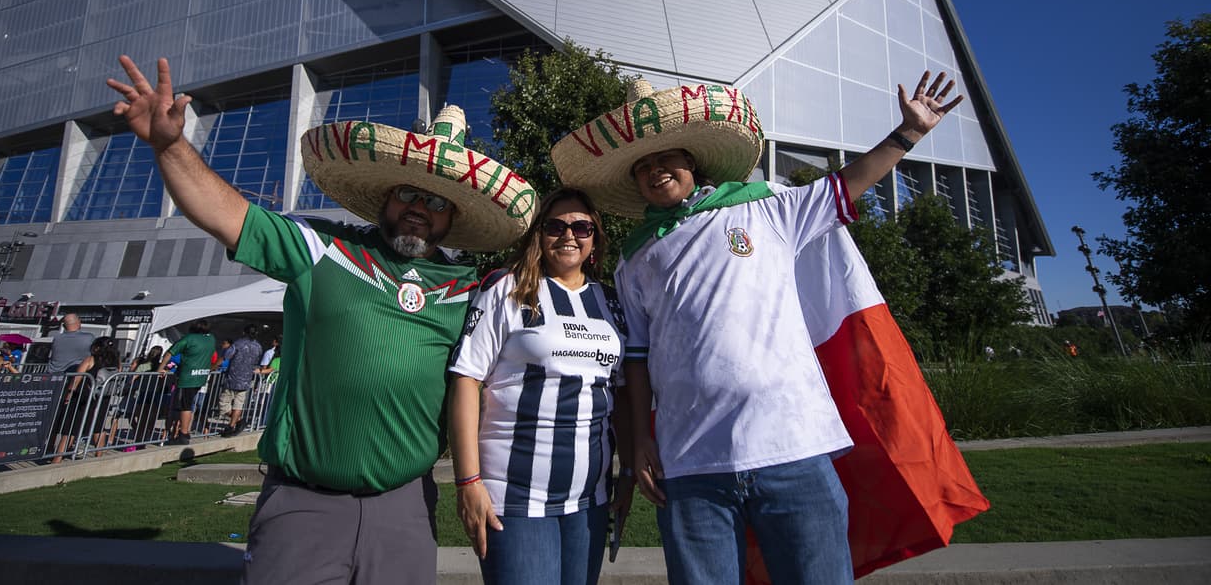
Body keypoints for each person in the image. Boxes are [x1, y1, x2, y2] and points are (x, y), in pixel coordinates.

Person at [108, 54, 535, 585]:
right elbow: (229, 215)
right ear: (386, 194)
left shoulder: (469, 289)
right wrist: (169, 146)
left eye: (436, 201)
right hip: (303, 504)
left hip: (404, 506)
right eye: (408, 192)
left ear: (454, 217)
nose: (419, 208)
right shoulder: (321, 248)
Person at [552, 72, 975, 585]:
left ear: (692, 162)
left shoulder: (766, 206)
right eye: (642, 167)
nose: (655, 170)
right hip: (689, 465)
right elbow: (637, 358)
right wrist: (640, 438)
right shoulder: (634, 255)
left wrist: (907, 134)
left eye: (666, 158)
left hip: (793, 449)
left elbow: (847, 184)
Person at [449, 188, 634, 585]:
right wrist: (467, 481)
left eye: (581, 227)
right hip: (514, 496)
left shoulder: (611, 303)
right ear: (538, 233)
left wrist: (630, 470)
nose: (569, 235)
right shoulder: (506, 288)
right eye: (556, 226)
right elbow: (466, 379)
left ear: (595, 237)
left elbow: (618, 396)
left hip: (590, 499)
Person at [53, 336, 121, 462]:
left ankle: (57, 459)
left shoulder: (91, 359)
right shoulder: (116, 362)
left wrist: (68, 394)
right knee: (98, 429)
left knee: (70, 430)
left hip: (83, 399)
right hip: (103, 399)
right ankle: (98, 458)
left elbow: (77, 379)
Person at [159, 319, 216, 446]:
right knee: (189, 404)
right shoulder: (210, 339)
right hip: (201, 376)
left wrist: (160, 368)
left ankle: (184, 433)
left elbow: (170, 352)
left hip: (188, 377)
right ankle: (183, 431)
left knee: (185, 405)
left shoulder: (189, 338)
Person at [219, 325, 264, 436]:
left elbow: (227, 356)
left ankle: (236, 421)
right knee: (238, 405)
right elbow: (257, 360)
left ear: (244, 332)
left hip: (233, 378)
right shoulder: (258, 346)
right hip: (246, 379)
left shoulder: (238, 344)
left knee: (223, 404)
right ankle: (232, 425)